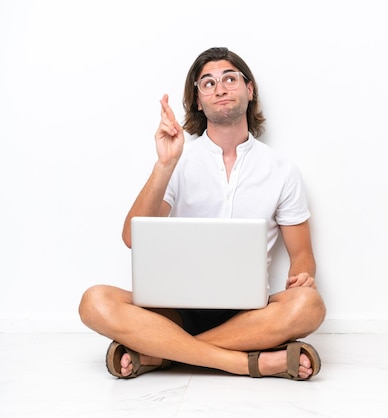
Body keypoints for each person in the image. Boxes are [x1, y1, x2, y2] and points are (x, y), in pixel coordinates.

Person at [78, 47, 326, 381]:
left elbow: (302, 255)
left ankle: (157, 353)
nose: (220, 88)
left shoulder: (281, 169)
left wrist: (302, 277)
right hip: (174, 309)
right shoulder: (179, 162)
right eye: (207, 83)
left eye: (229, 78)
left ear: (249, 90)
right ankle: (246, 362)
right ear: (197, 100)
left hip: (250, 314)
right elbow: (131, 238)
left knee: (309, 305)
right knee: (94, 301)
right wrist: (165, 165)